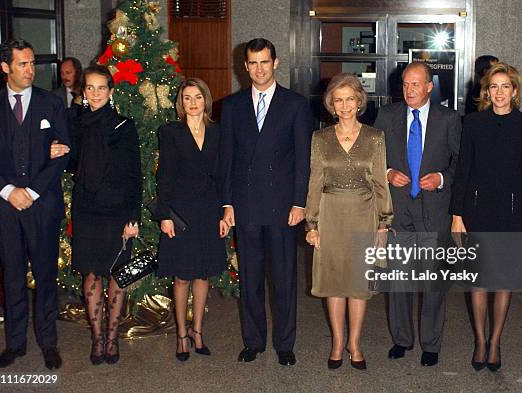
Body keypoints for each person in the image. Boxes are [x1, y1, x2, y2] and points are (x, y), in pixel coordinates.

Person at [219, 38, 312, 366]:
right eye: (252, 63)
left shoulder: (295, 105)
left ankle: (285, 343)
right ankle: (253, 340)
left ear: (275, 63)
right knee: (251, 278)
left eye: (264, 62)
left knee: (284, 278)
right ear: (245, 67)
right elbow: (226, 160)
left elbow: (304, 159)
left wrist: (300, 203)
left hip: (282, 207)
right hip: (245, 207)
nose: (258, 69)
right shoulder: (231, 106)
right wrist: (226, 204)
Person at [50, 64, 142, 366]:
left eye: (102, 87)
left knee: (116, 275)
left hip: (117, 210)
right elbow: (68, 161)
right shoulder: (73, 122)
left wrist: (133, 219)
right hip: (87, 206)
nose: (96, 93)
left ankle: (113, 338)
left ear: (111, 91)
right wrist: (53, 150)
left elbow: (134, 176)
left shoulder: (124, 126)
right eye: (90, 87)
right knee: (91, 274)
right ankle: (97, 338)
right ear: (83, 92)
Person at [374, 61, 461, 367]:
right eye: (405, 84)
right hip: (398, 209)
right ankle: (401, 339)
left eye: (415, 84)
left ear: (429, 87)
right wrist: (386, 172)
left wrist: (440, 179)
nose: (409, 90)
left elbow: (459, 163)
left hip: (434, 209)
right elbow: (373, 157)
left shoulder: (448, 118)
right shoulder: (386, 116)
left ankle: (431, 343)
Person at [450, 63, 522, 372]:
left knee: (504, 281)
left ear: (514, 91)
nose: (499, 92)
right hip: (477, 212)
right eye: (494, 87)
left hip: (512, 215)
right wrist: (457, 215)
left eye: (505, 87)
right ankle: (480, 341)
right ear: (487, 91)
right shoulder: (473, 123)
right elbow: (462, 172)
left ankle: (496, 341)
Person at [305, 73, 392, 370]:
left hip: (364, 215)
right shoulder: (320, 138)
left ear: (359, 101)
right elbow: (314, 183)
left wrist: (384, 223)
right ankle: (337, 343)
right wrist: (311, 225)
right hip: (330, 216)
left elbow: (381, 182)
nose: (344, 106)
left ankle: (355, 343)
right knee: (333, 283)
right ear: (331, 104)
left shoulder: (374, 137)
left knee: (358, 283)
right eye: (338, 100)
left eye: (350, 99)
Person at [0, 39, 70, 369]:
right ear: (5, 67)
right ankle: (15, 344)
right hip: (5, 205)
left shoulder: (51, 104)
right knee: (12, 276)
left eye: (31, 62)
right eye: (22, 64)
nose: (30, 69)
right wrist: (9, 190)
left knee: (46, 274)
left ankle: (48, 342)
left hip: (43, 204)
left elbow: (65, 151)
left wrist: (34, 191)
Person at [154, 78, 228, 361]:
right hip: (181, 212)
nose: (193, 103)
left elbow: (223, 175)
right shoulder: (170, 132)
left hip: (209, 210)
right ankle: (181, 335)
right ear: (180, 103)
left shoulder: (217, 132)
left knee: (203, 273)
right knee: (182, 275)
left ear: (205, 100)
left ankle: (198, 331)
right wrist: (165, 215)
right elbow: (165, 177)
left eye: (197, 97)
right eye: (187, 98)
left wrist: (224, 211)